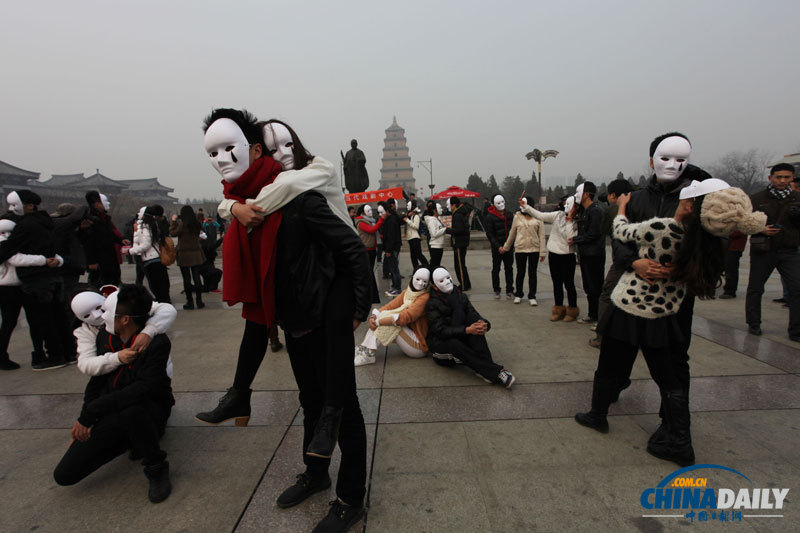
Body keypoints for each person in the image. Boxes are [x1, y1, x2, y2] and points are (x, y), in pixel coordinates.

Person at [198, 110, 370, 530]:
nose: (282, 154)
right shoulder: (258, 199)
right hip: (295, 319)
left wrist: (360, 308)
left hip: (327, 314)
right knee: (310, 401)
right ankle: (315, 473)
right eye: (272, 149)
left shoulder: (304, 196)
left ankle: (351, 497)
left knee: (343, 407)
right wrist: (231, 208)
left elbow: (351, 248)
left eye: (287, 145)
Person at [575, 180, 765, 467]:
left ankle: (598, 415)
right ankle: (679, 438)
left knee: (610, 365)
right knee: (668, 377)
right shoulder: (701, 239)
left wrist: (622, 207)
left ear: (688, 205)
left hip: (630, 307)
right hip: (663, 315)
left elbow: (621, 231)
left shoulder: (664, 228)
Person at [53, 284, 175, 503]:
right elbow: (96, 380)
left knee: (132, 411)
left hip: (148, 411)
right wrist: (85, 420)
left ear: (125, 319)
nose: (101, 317)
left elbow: (142, 390)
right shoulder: (105, 337)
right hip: (113, 410)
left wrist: (93, 411)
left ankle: (156, 466)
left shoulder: (156, 342)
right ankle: (131, 440)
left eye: (106, 312)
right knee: (64, 475)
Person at [0, 190, 72, 370]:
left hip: (32, 280)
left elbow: (11, 254)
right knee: (54, 317)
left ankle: (50, 355)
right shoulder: (45, 223)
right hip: (35, 279)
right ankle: (62, 352)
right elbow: (50, 250)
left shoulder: (25, 226)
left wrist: (45, 261)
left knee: (41, 319)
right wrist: (54, 261)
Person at [425, 268, 515, 387]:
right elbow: (440, 331)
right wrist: (467, 330)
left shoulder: (461, 296)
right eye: (441, 280)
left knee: (475, 326)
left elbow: (473, 314)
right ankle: (496, 372)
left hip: (461, 336)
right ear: (435, 286)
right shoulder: (432, 304)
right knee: (454, 343)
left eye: (448, 277)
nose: (447, 282)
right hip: (442, 349)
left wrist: (483, 324)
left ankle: (484, 370)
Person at [745, 162, 800, 340]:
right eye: (778, 177)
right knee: (755, 288)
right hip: (764, 249)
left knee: (796, 289)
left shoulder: (797, 198)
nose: (782, 181)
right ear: (770, 178)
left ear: (792, 178)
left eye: (786, 177)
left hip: (789, 250)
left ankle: (796, 330)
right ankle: (753, 323)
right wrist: (760, 229)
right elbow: (743, 222)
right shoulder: (756, 198)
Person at [70, 288, 176, 377]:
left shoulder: (124, 303)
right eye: (87, 315)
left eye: (99, 308)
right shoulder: (85, 332)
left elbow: (166, 309)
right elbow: (86, 364)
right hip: (118, 380)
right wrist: (116, 358)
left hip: (154, 375)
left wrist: (148, 332)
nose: (97, 315)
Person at [0, 219, 52, 370]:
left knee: (18, 322)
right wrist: (43, 260)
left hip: (16, 285)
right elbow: (16, 259)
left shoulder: (9, 242)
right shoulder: (5, 243)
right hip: (9, 287)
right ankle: (34, 354)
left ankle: (6, 354)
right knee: (13, 322)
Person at [354, 268, 431, 366]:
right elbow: (390, 306)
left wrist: (379, 322)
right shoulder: (407, 292)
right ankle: (365, 347)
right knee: (383, 315)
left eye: (425, 281)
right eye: (418, 279)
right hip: (410, 337)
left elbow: (406, 317)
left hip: (419, 346)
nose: (420, 284)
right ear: (412, 278)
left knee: (392, 322)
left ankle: (369, 354)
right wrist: (374, 316)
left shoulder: (425, 297)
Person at [589, 179, 633, 347]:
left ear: (613, 195)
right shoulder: (642, 203)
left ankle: (603, 336)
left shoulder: (615, 208)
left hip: (623, 260)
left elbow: (604, 229)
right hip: (644, 260)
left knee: (607, 296)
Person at [520, 195, 579, 321]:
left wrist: (569, 220)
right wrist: (526, 207)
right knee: (557, 283)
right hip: (554, 254)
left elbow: (570, 238)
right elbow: (541, 215)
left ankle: (572, 309)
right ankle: (558, 308)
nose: (566, 207)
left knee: (569, 284)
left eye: (569, 205)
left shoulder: (577, 221)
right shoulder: (558, 215)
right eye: (565, 204)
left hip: (567, 255)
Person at [569, 182, 605, 324]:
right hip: (585, 254)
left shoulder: (595, 211)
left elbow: (594, 234)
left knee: (596, 286)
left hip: (594, 255)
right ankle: (592, 314)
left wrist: (576, 239)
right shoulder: (584, 211)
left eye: (579, 193)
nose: (576, 196)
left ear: (587, 194)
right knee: (588, 286)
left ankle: (599, 318)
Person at [503, 197, 546, 305]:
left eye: (524, 204)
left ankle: (532, 295)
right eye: (521, 205)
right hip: (520, 249)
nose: (522, 207)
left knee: (532, 273)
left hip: (534, 249)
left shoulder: (538, 217)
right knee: (520, 273)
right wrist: (506, 247)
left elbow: (542, 236)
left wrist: (542, 252)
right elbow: (512, 233)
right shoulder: (517, 217)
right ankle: (518, 294)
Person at [82, 190, 125, 288]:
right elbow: (88, 241)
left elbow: (109, 234)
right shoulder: (90, 219)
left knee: (113, 282)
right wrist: (91, 261)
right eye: (104, 202)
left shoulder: (104, 218)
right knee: (100, 284)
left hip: (110, 256)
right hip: (99, 258)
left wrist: (120, 240)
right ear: (97, 204)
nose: (107, 204)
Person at [129, 207, 171, 303]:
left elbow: (146, 245)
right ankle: (165, 301)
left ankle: (163, 303)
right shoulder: (155, 225)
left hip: (149, 259)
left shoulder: (145, 227)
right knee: (162, 284)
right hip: (156, 258)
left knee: (155, 285)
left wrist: (130, 251)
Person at [170, 205, 206, 310]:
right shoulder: (197, 224)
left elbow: (173, 233)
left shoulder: (182, 224)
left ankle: (189, 302)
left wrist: (173, 221)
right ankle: (199, 301)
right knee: (197, 278)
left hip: (184, 254)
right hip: (196, 253)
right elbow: (199, 217)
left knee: (186, 279)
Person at [485, 194, 515, 299]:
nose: (501, 204)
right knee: (496, 269)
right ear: (494, 204)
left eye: (503, 202)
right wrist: (498, 246)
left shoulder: (510, 215)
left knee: (509, 268)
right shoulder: (490, 217)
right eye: (498, 203)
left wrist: (509, 245)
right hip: (497, 248)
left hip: (509, 247)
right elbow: (490, 234)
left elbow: (513, 231)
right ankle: (496, 290)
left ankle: (510, 290)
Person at [354, 204, 384, 303]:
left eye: (371, 210)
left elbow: (374, 232)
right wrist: (381, 220)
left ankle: (371, 295)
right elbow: (371, 230)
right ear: (362, 212)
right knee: (369, 273)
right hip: (366, 250)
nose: (371, 212)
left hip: (372, 249)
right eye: (368, 210)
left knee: (370, 272)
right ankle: (370, 295)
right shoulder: (361, 222)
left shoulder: (369, 221)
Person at [445, 197, 472, 291]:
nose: (450, 207)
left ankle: (464, 285)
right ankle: (466, 283)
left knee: (459, 265)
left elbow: (459, 230)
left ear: (454, 205)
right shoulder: (461, 213)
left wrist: (447, 230)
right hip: (462, 242)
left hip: (459, 243)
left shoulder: (458, 215)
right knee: (462, 264)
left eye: (450, 205)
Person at [382, 198, 403, 296]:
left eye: (383, 212)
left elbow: (391, 237)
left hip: (392, 247)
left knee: (394, 269)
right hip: (394, 246)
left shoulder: (391, 221)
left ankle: (397, 288)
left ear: (387, 211)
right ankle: (394, 287)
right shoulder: (392, 218)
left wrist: (388, 249)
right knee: (393, 268)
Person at [718, 231, 747, 299]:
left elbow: (740, 231)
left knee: (731, 269)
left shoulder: (741, 221)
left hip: (734, 247)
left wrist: (722, 232)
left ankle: (730, 291)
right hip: (726, 245)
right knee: (727, 268)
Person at [403, 200, 428, 271]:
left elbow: (416, 226)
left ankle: (427, 267)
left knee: (419, 255)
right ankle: (416, 270)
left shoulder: (416, 216)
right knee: (413, 257)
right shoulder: (410, 216)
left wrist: (407, 220)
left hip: (415, 238)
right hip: (410, 238)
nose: (407, 207)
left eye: (408, 205)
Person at [424, 201, 447, 270]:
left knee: (437, 265)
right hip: (435, 246)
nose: (441, 210)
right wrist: (445, 229)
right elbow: (434, 234)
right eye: (440, 208)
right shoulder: (431, 220)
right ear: (434, 210)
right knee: (434, 266)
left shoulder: (436, 219)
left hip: (439, 245)